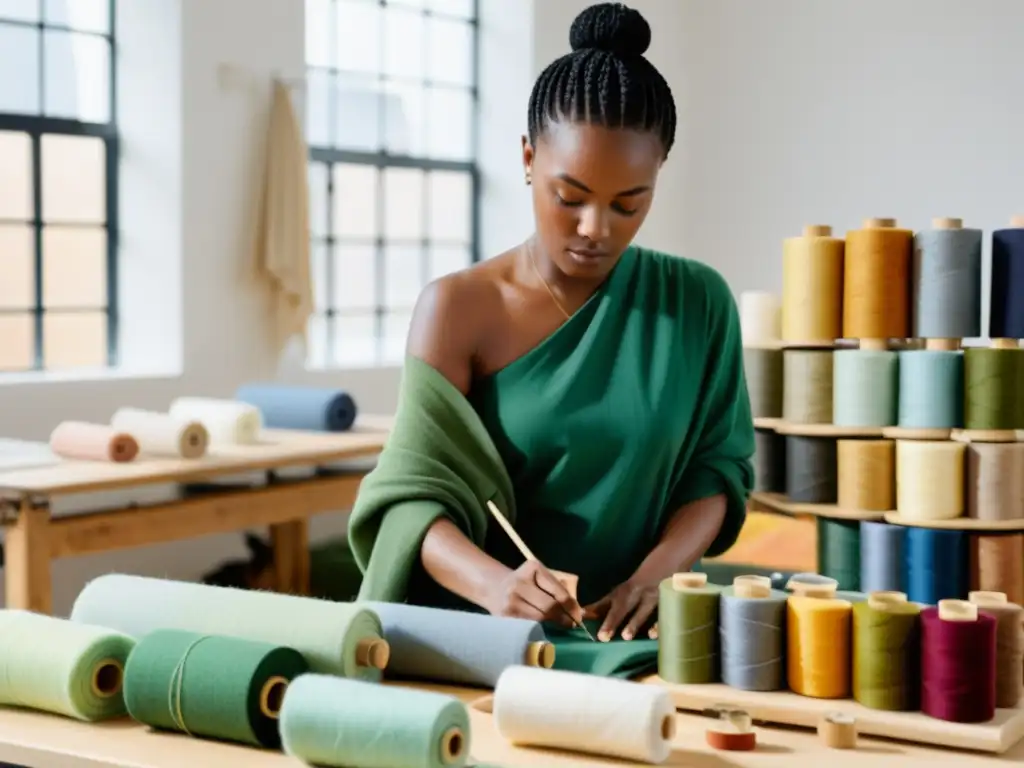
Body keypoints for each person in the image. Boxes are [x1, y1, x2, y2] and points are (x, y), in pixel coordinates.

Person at [348, 2, 755, 646]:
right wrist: (493, 585)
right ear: (529, 158)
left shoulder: (698, 302)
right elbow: (409, 499)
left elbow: (716, 473)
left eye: (629, 203)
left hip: (639, 640)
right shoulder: (457, 308)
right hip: (486, 642)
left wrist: (657, 577)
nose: (596, 229)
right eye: (570, 198)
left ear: (658, 177)